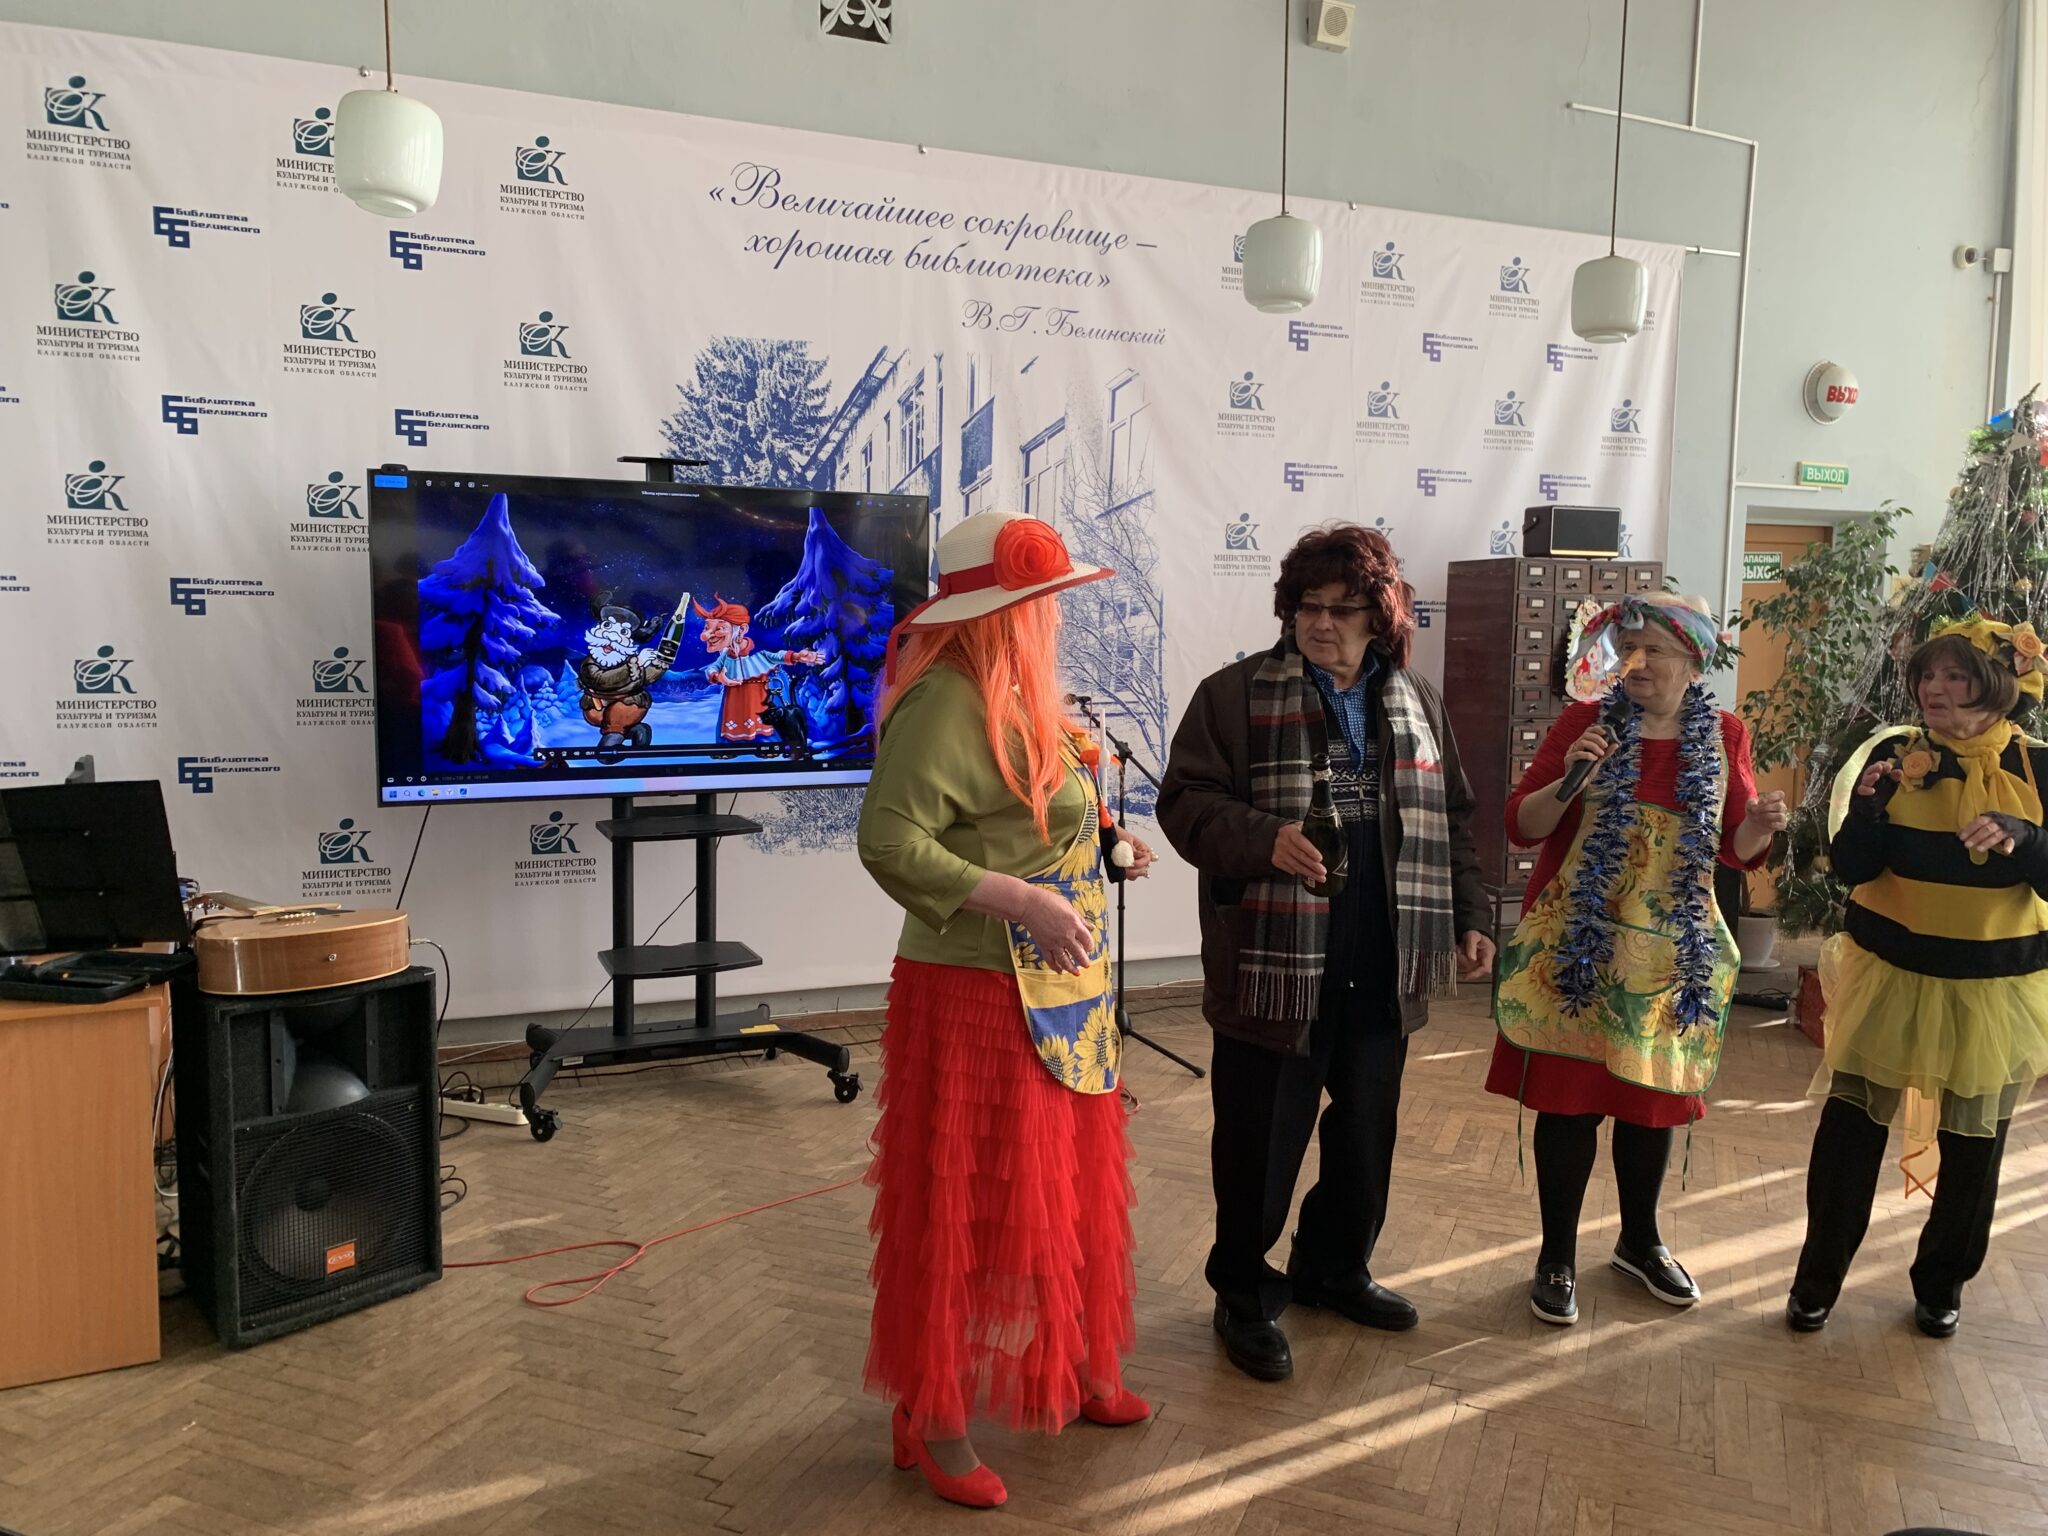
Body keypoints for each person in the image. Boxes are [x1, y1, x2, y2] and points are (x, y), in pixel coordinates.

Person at [856, 510, 1155, 1509]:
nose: (1050, 617)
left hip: (1066, 992)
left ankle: (1079, 1366)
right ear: (995, 610)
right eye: (1037, 601)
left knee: (1060, 1190)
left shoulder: (1024, 690)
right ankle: (932, 1413)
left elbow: (1040, 811)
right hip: (977, 994)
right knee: (966, 1206)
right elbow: (890, 843)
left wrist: (1106, 846)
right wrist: (1020, 900)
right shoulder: (944, 699)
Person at [1158, 522, 1493, 1383]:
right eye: (1308, 605)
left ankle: (1333, 1268)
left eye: (1342, 609)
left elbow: (1453, 819)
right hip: (1272, 965)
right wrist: (1263, 838)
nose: (1321, 623)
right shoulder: (1233, 696)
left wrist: (1469, 916)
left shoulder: (1417, 701)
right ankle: (1243, 1292)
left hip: (1384, 952)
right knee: (1259, 1143)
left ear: (1380, 618)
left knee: (1365, 1134)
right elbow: (1184, 804)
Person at [1486, 594, 1786, 1325]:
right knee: (1569, 1101)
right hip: (1576, 948)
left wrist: (1757, 824)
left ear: (1695, 661)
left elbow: (1736, 851)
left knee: (1651, 1102)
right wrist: (1571, 780)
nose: (1637, 664)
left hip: (1667, 955)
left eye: (1655, 651)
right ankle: (1556, 1255)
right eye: (1628, 650)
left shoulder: (1724, 734)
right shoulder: (1584, 724)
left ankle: (1639, 1241)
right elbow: (1522, 825)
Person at [1786, 617, 2048, 1338]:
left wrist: (2027, 838)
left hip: (1993, 989)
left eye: (1955, 675)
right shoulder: (1895, 755)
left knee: (1974, 1152)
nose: (1935, 688)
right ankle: (1815, 1284)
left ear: (1997, 684)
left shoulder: (2039, 767)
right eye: (1928, 675)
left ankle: (1942, 1285)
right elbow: (1853, 867)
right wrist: (1868, 810)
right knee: (1847, 1140)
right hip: (1891, 974)